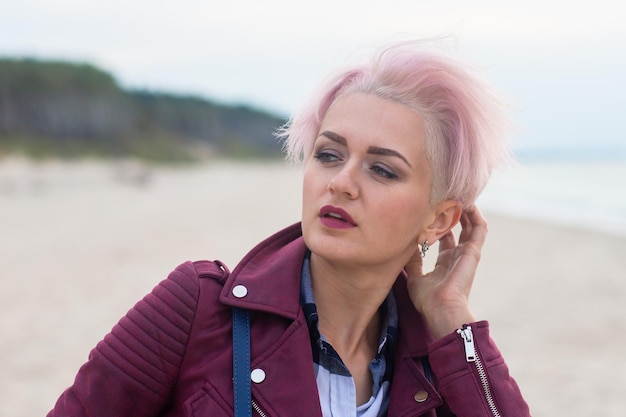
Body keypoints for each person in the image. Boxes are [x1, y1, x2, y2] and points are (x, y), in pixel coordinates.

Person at [48, 40, 530, 417]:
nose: (341, 183)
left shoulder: (443, 367)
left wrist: (453, 320)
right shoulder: (195, 309)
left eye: (381, 169)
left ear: (439, 219)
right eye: (328, 154)